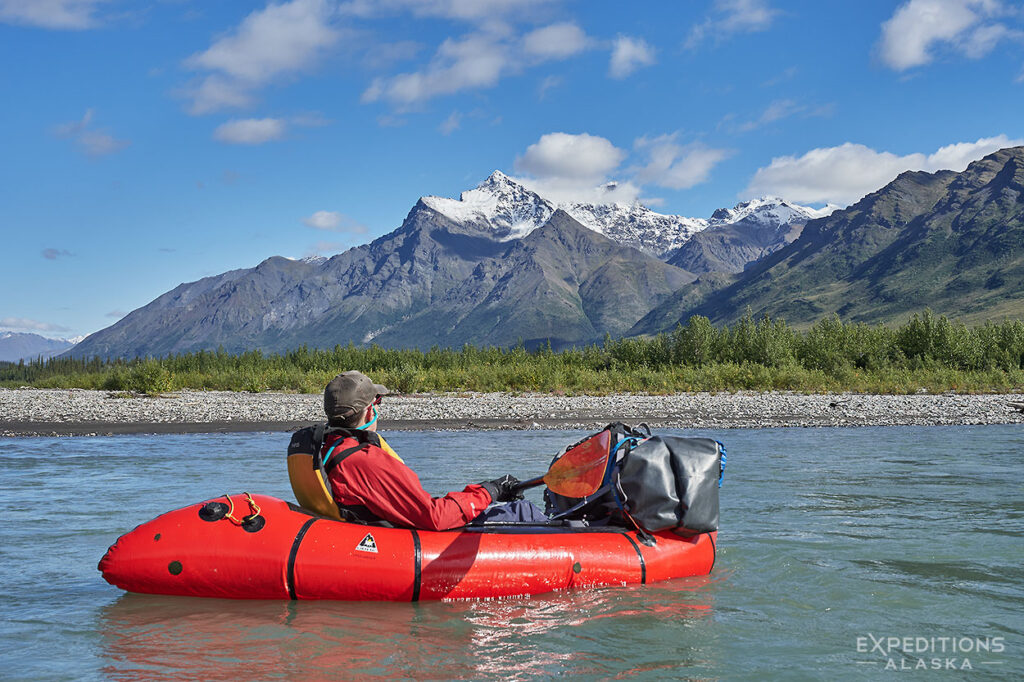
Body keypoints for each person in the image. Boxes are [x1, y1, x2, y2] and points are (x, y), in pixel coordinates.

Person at [287, 370, 548, 531]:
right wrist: (490, 490)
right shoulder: (365, 461)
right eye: (377, 402)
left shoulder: (326, 449)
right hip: (402, 540)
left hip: (368, 527)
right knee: (522, 513)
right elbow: (435, 517)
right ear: (369, 410)